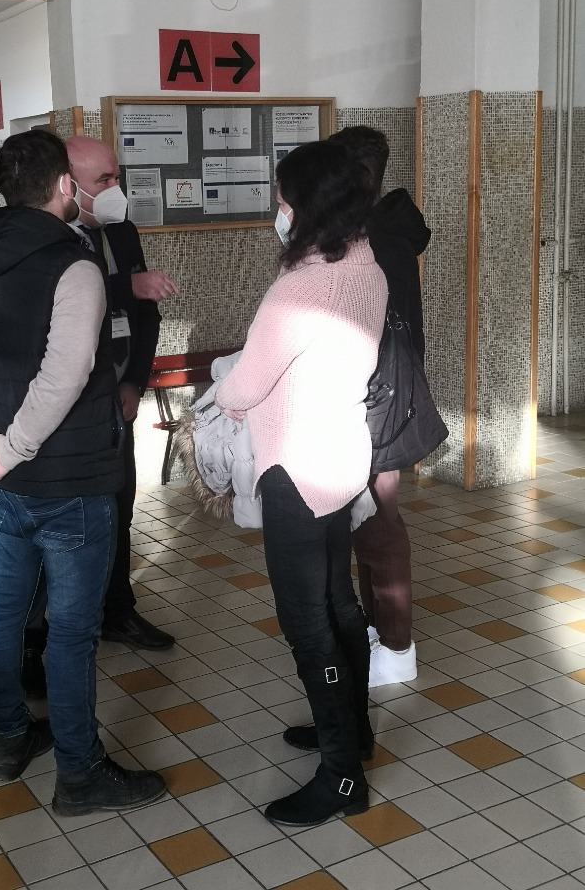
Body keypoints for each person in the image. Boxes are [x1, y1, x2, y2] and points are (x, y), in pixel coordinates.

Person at [0, 130, 165, 816]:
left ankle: (9, 739)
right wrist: (10, 448)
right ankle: (80, 772)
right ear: (65, 186)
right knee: (71, 629)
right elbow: (65, 376)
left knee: (5, 606)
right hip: (69, 478)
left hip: (4, 480)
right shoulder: (74, 263)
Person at [215, 140, 387, 827]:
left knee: (306, 621)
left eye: (282, 197)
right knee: (338, 602)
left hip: (296, 468)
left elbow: (244, 386)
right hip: (341, 455)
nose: (277, 208)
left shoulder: (302, 287)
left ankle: (342, 777)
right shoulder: (366, 263)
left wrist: (224, 392)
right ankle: (354, 731)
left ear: (307, 205)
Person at [20, 137, 180, 696]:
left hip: (116, 400)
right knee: (56, 528)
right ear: (68, 183)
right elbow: (44, 303)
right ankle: (35, 640)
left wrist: (135, 381)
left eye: (117, 176)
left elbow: (145, 314)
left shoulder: (121, 230)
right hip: (60, 414)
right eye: (104, 180)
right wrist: (121, 285)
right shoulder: (39, 237)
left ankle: (118, 610)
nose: (116, 189)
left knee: (117, 509)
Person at [334, 126, 431, 687]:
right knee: (367, 522)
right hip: (379, 397)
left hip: (378, 401)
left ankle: (396, 648)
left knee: (378, 522)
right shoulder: (378, 235)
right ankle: (379, 632)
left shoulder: (377, 246)